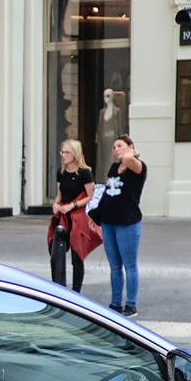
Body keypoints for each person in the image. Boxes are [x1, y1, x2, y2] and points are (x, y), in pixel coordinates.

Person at [89, 135, 146, 315]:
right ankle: (115, 304)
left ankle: (131, 304)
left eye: (120, 146)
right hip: (109, 221)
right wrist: (96, 214)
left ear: (130, 147)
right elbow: (107, 193)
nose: (116, 149)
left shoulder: (138, 167)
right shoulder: (114, 167)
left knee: (129, 264)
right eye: (114, 147)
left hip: (127, 221)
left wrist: (133, 153)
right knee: (114, 265)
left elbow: (130, 159)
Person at [47, 138, 97, 290]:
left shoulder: (85, 173)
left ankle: (76, 292)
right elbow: (60, 194)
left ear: (75, 154)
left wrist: (73, 205)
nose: (63, 155)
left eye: (67, 152)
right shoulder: (61, 172)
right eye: (62, 152)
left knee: (77, 256)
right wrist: (55, 204)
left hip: (78, 215)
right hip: (63, 215)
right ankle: (57, 288)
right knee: (56, 253)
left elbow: (91, 196)